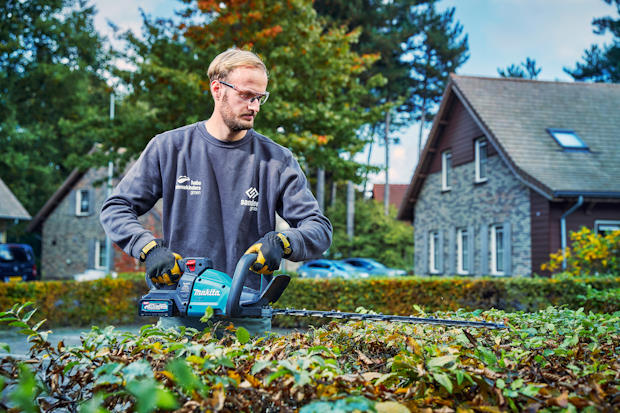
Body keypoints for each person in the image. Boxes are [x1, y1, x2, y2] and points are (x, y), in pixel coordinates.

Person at [100, 48, 332, 335]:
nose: (255, 106)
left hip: (246, 316)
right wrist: (147, 249)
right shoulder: (169, 148)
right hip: (180, 313)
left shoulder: (275, 160)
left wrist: (284, 242)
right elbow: (116, 207)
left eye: (260, 98)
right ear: (217, 89)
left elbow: (319, 229)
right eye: (247, 95)